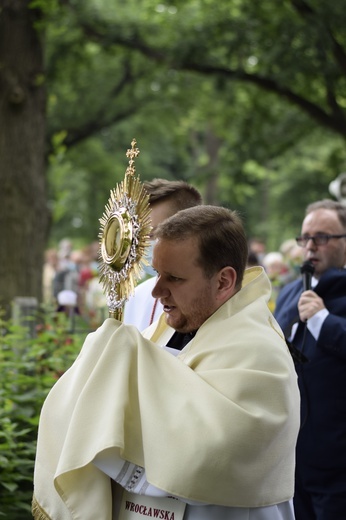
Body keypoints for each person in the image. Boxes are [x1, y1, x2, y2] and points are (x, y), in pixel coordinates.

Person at [32, 205, 300, 520]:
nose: (157, 292)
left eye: (173, 278)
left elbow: (213, 456)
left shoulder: (260, 353)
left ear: (224, 282)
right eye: (157, 273)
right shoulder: (162, 332)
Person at [274, 199, 346, 519]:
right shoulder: (290, 292)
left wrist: (323, 322)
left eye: (323, 237)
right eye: (305, 238)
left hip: (338, 460)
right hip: (290, 458)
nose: (311, 246)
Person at [123, 178, 203, 330]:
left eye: (153, 234)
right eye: (138, 236)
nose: (142, 245)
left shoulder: (212, 295)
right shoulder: (136, 297)